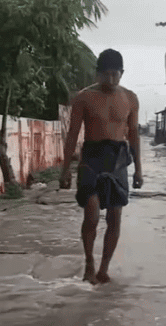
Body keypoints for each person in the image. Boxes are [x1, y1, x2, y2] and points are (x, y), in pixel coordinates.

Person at [59, 49, 143, 285]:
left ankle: (104, 269)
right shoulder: (84, 98)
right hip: (92, 156)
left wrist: (138, 169)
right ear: (97, 74)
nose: (111, 79)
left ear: (122, 73)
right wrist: (65, 170)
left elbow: (134, 135)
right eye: (105, 74)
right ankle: (89, 264)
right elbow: (73, 134)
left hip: (118, 158)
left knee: (115, 217)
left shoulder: (130, 98)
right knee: (92, 213)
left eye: (115, 74)